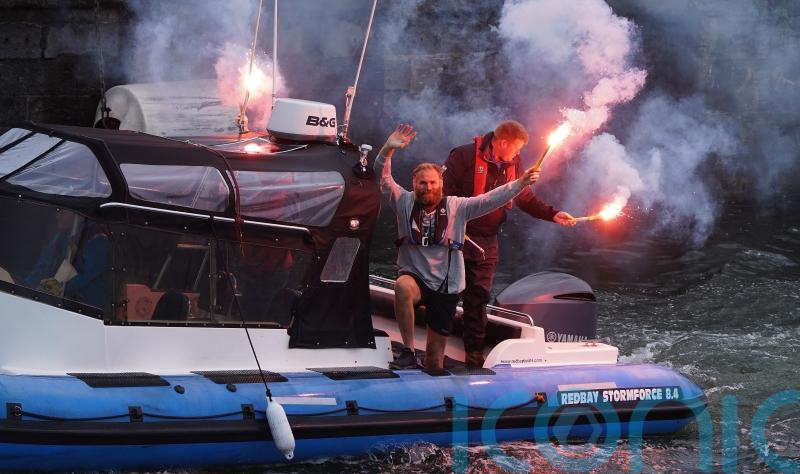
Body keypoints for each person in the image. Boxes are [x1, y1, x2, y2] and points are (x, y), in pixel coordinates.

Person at [375, 124, 538, 370]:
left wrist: (520, 183)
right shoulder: (403, 201)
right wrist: (387, 149)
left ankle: (435, 371)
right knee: (402, 286)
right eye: (422, 183)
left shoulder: (457, 207)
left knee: (434, 361)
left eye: (432, 183)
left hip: (445, 286)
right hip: (416, 279)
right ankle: (408, 349)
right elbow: (382, 177)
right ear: (414, 183)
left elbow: (491, 199)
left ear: (441, 184)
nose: (427, 188)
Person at [442, 120, 577, 368]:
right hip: (457, 237)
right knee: (447, 294)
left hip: (487, 241)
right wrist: (449, 232)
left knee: (478, 298)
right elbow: (444, 195)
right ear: (502, 142)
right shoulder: (462, 156)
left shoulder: (513, 164)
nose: (518, 154)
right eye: (516, 148)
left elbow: (524, 197)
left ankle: (474, 357)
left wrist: (553, 214)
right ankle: (436, 353)